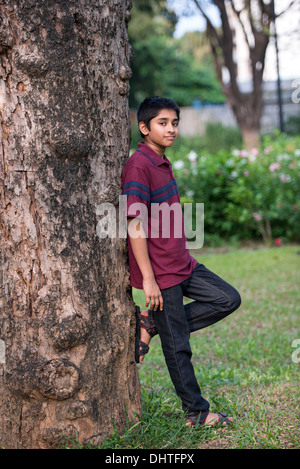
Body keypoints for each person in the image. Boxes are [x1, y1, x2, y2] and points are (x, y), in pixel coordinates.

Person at [122, 97, 241, 427]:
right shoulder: (139, 165)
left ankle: (153, 325)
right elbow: (134, 223)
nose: (171, 129)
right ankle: (197, 411)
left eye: (174, 122)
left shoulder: (161, 160)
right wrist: (148, 279)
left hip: (183, 262)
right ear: (144, 128)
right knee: (180, 349)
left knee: (227, 298)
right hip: (162, 274)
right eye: (163, 123)